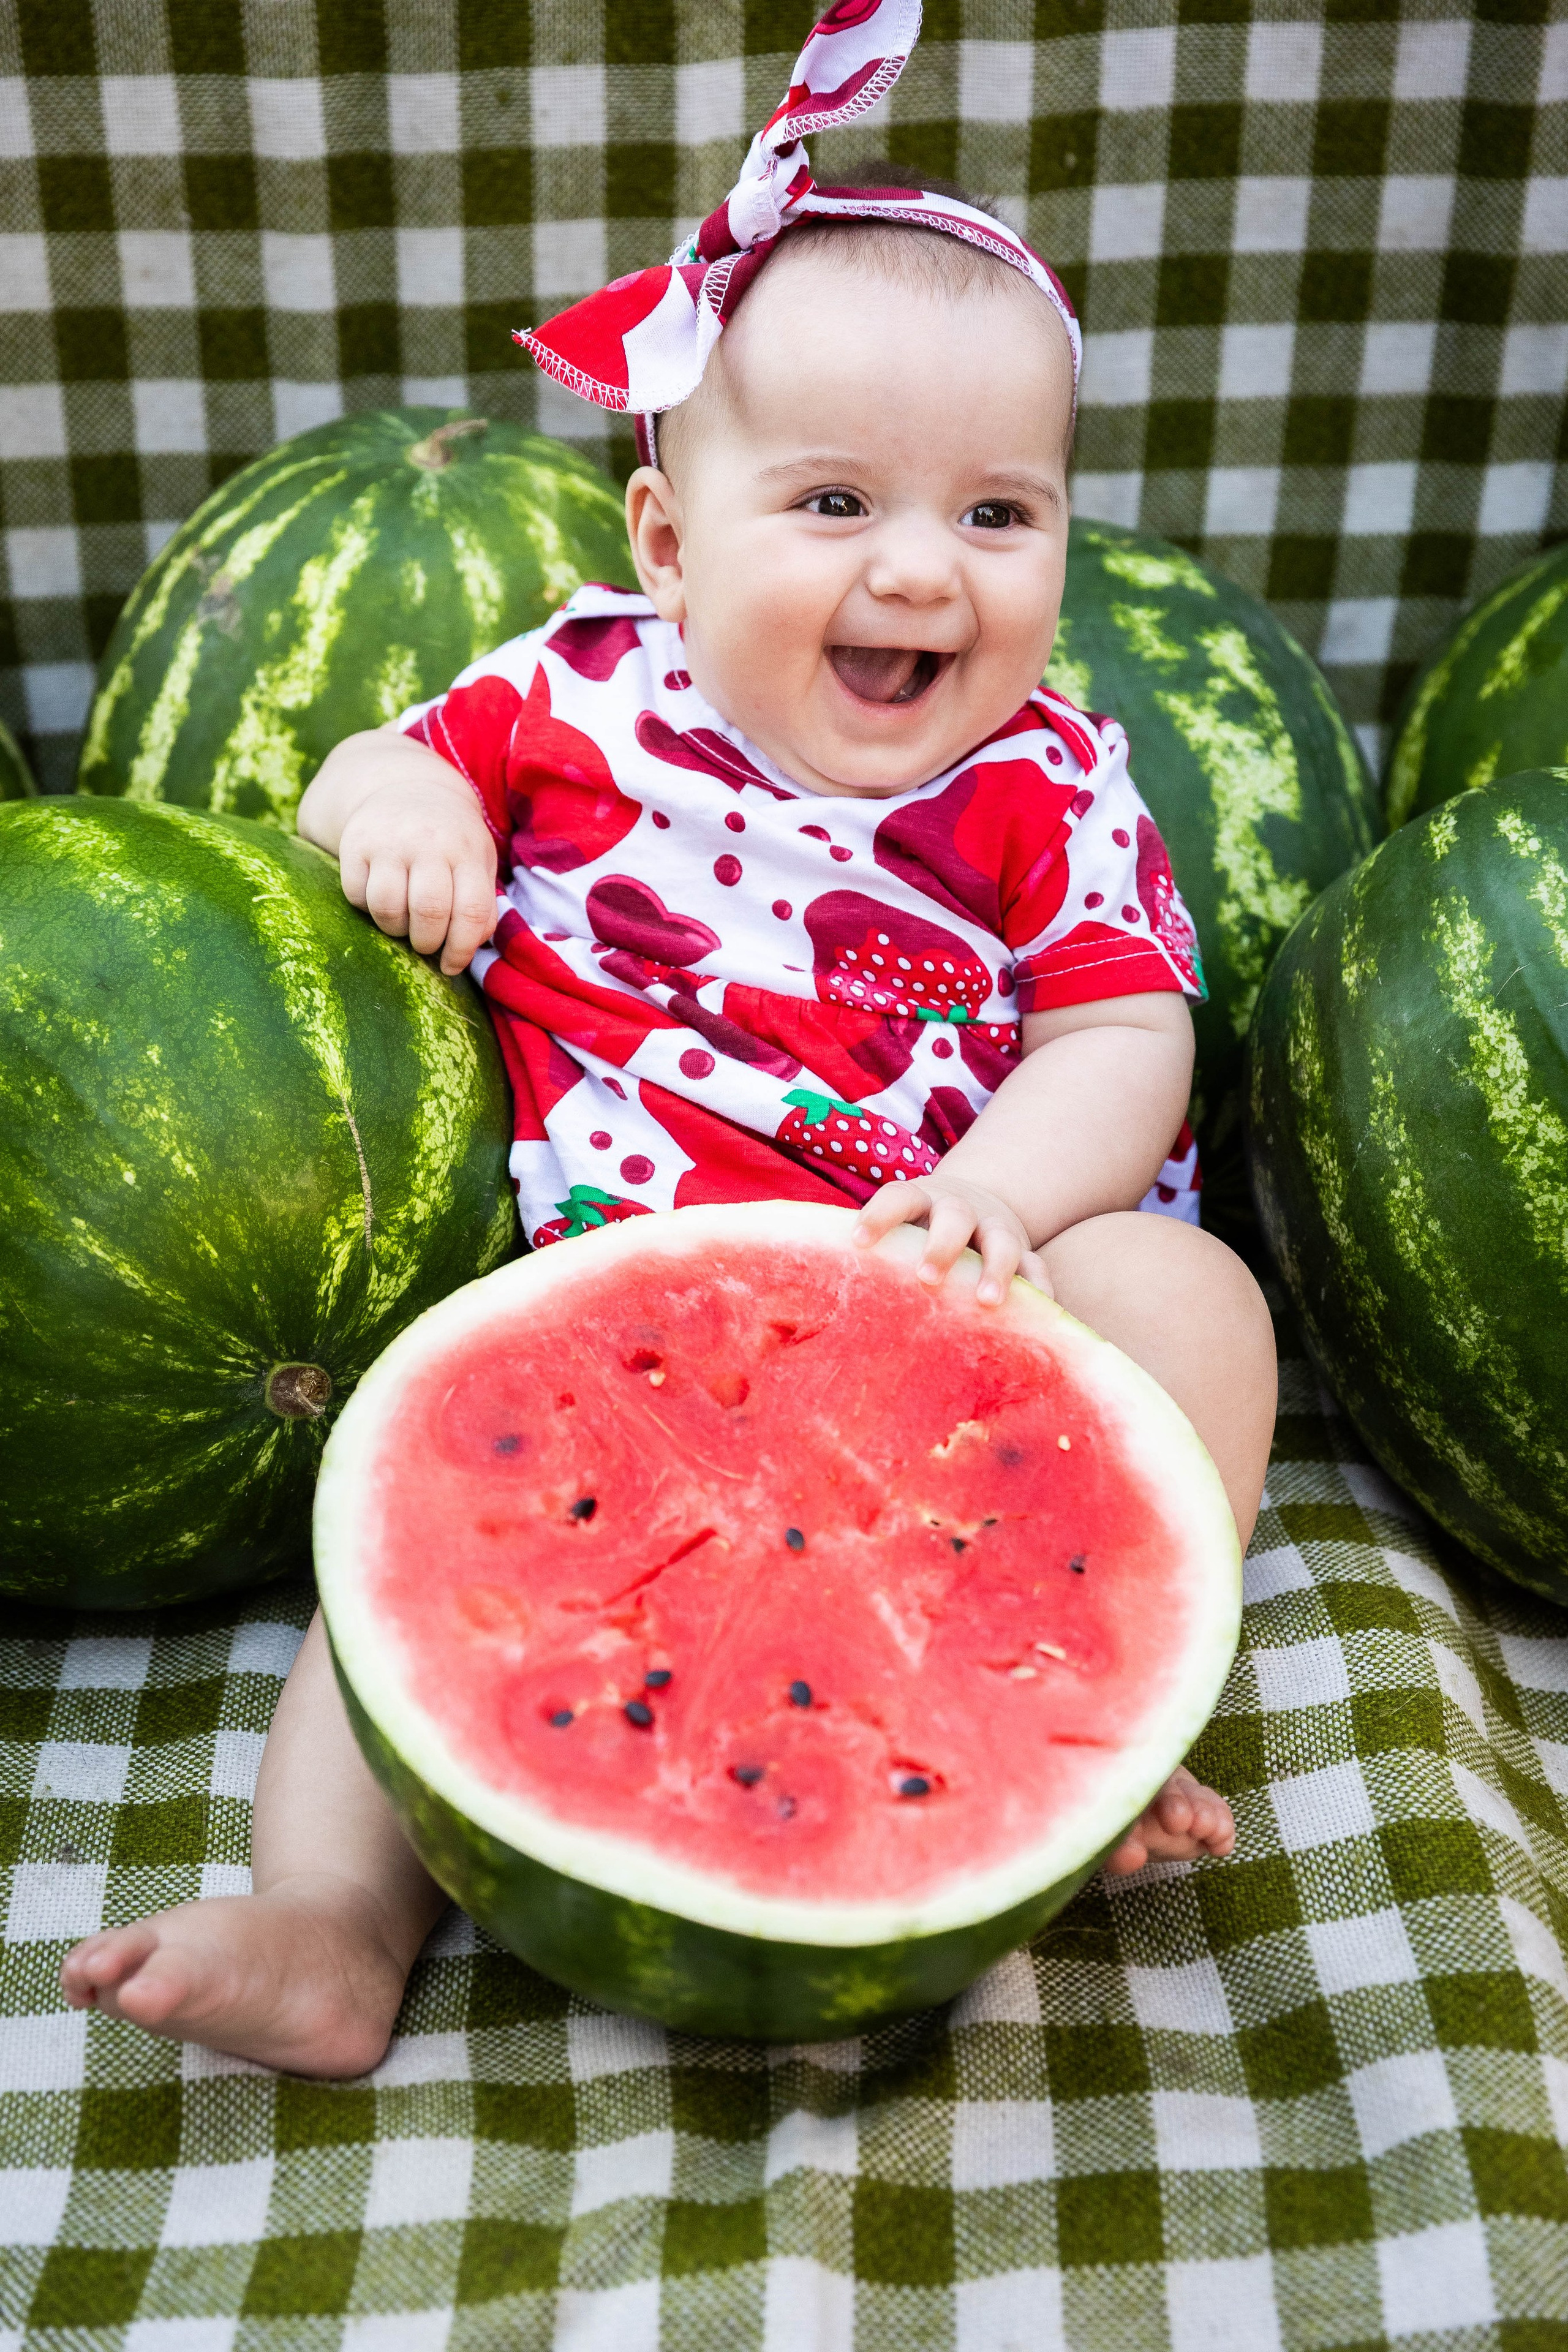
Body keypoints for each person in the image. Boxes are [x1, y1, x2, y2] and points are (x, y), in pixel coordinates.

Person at [61, 0, 1275, 2078]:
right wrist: (409, 809)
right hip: (622, 1328)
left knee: (1184, 1287)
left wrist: (1000, 1191)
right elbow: (359, 767)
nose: (923, 566)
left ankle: (1068, 1727)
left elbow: (1126, 1038)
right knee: (409, 1588)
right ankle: (333, 1920)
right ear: (662, 542)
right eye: (833, 503)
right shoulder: (567, 694)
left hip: (960, 1293)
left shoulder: (1052, 785)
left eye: (1002, 515)